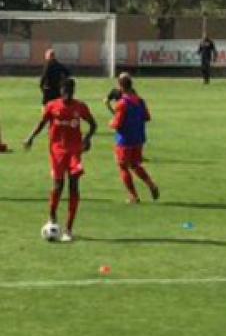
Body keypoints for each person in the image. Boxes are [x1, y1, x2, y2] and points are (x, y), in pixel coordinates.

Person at [24, 77, 97, 242]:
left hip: (74, 151)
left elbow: (93, 124)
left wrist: (87, 139)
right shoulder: (52, 106)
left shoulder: (80, 107)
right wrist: (31, 137)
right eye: (65, 92)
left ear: (73, 92)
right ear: (61, 91)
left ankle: (69, 229)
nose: (67, 96)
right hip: (57, 151)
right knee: (58, 186)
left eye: (70, 93)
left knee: (73, 186)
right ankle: (52, 217)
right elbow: (42, 123)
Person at [109, 73, 160, 203]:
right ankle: (151, 184)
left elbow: (117, 124)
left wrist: (111, 122)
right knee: (135, 164)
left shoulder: (122, 103)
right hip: (138, 138)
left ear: (120, 86)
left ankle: (133, 196)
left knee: (123, 166)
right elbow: (147, 117)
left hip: (125, 139)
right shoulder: (140, 100)